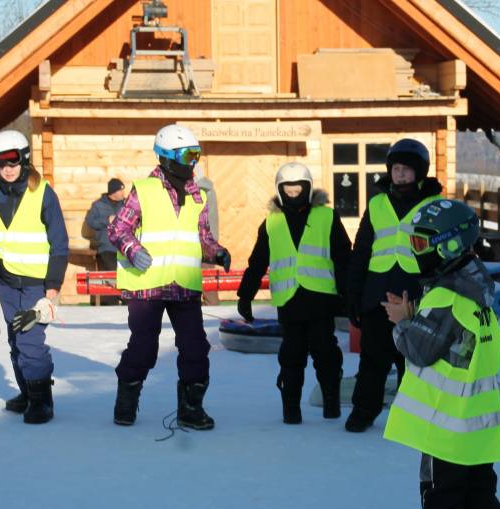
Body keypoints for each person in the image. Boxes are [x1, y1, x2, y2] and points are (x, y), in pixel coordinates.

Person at [382, 199, 500, 509]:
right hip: (478, 426)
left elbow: (420, 350)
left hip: (444, 427)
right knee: (481, 495)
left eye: (421, 244)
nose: (416, 252)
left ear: (448, 246)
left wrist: (402, 321)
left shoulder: (445, 298)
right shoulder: (480, 291)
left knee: (442, 497)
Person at [108, 124, 231, 429]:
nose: (192, 162)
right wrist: (133, 249)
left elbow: (202, 237)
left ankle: (191, 408)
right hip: (148, 284)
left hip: (184, 285)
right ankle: (126, 401)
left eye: (195, 155)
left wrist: (216, 252)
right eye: (187, 155)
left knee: (195, 348)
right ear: (166, 157)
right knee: (144, 347)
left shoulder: (198, 195)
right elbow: (119, 229)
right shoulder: (144, 190)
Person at [236, 162, 352, 424]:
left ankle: (331, 401)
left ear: (308, 189)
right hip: (289, 300)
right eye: (287, 190)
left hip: (321, 300)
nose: (292, 194)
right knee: (291, 356)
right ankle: (291, 408)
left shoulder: (327, 217)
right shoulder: (271, 223)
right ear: (279, 190)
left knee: (326, 353)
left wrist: (348, 294)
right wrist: (245, 294)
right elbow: (258, 261)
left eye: (297, 189)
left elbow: (344, 257)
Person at [344, 138, 443, 433]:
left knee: (412, 360)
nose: (400, 174)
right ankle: (364, 410)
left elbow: (443, 253)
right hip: (376, 294)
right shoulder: (377, 204)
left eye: (406, 169)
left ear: (419, 172)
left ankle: (412, 415)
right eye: (396, 168)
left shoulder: (434, 205)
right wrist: (353, 295)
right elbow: (361, 251)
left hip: (416, 294)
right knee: (373, 359)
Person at [0, 129, 68, 424]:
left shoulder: (43, 194)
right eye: (1, 162)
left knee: (30, 342)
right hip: (7, 284)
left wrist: (52, 289)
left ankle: (42, 400)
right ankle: (28, 392)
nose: (7, 168)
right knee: (16, 341)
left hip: (35, 286)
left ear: (25, 159)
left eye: (13, 161)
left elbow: (59, 243)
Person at [85, 178, 127, 271]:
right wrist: (106, 220)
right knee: (111, 275)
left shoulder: (126, 204)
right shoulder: (98, 205)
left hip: (124, 249)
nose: (123, 193)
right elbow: (90, 222)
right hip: (106, 248)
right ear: (113, 192)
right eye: (120, 190)